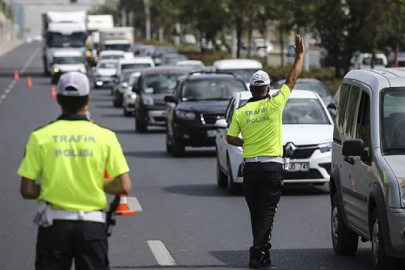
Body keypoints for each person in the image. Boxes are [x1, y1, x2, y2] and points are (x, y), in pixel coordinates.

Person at [18, 72, 132, 270]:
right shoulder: (106, 137)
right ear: (87, 99)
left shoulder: (40, 137)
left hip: (54, 226)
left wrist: (53, 187)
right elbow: (124, 186)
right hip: (92, 227)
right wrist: (97, 184)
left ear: (59, 99)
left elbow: (27, 190)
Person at [226, 35, 305, 268]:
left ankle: (263, 253)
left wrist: (246, 143)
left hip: (250, 167)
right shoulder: (275, 104)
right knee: (268, 212)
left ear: (251, 89)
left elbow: (230, 138)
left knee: (257, 212)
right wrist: (300, 55)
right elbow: (292, 80)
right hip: (272, 167)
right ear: (268, 88)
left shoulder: (241, 111)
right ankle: (255, 252)